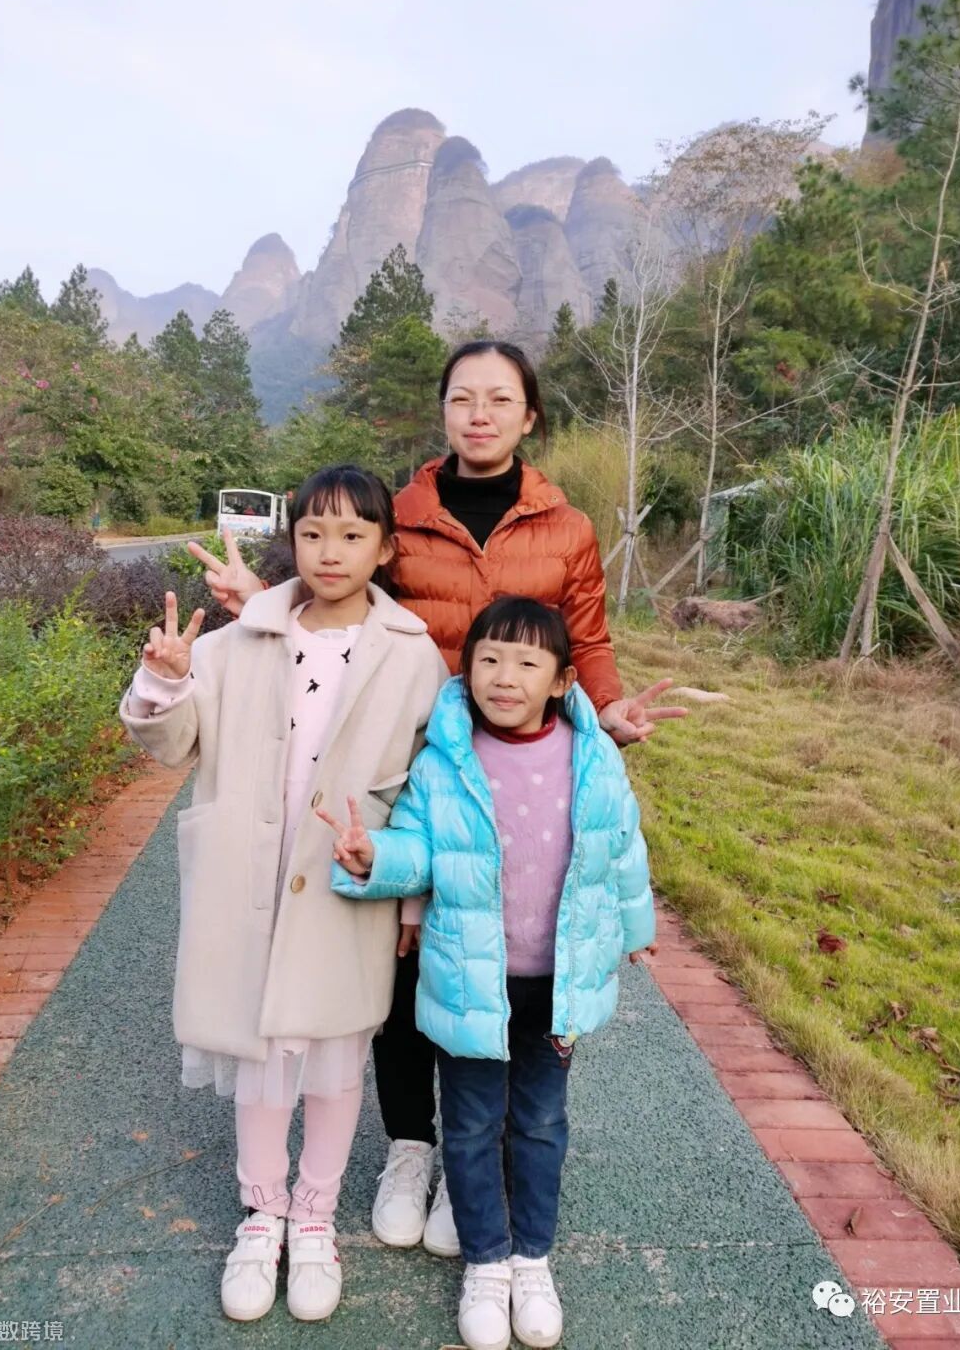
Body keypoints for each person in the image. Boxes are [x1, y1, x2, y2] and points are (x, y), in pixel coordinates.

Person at [188, 339, 686, 1257]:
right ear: (444, 409)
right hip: (415, 759)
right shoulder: (405, 513)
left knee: (503, 959)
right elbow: (341, 589)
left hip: (523, 767)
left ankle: (474, 1161)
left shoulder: (567, 527)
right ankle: (411, 1148)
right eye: (463, 398)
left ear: (530, 415)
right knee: (405, 961)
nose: (479, 414)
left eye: (499, 399)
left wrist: (608, 709)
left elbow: (586, 638)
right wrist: (263, 600)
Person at [119, 465, 446, 1325]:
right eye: (312, 533)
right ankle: (262, 1213)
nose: (331, 551)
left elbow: (426, 788)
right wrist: (166, 681)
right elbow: (174, 743)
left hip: (347, 885)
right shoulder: (236, 642)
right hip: (249, 880)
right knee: (261, 1056)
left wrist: (409, 893)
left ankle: (316, 1213)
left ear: (386, 546)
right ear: (290, 540)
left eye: (352, 535)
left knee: (334, 1055)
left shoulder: (414, 655)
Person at [320, 597, 656, 1350]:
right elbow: (417, 846)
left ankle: (532, 1258)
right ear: (465, 669)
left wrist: (637, 930)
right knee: (471, 1127)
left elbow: (622, 844)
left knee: (540, 1123)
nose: (505, 677)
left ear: (562, 679)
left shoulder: (591, 757)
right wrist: (373, 858)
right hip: (472, 983)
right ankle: (486, 1262)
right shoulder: (446, 759)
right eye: (489, 660)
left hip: (555, 988)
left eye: (527, 663)